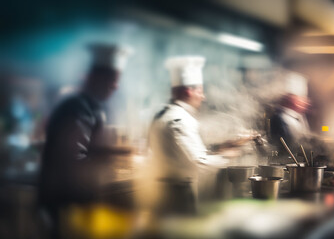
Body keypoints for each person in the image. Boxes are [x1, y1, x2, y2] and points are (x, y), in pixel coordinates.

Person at [38, 43, 133, 238]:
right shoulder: (77, 109)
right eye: (113, 80)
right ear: (96, 78)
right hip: (65, 204)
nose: (116, 86)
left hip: (73, 201)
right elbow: (74, 161)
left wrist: (111, 152)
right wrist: (109, 156)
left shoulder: (91, 107)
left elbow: (89, 150)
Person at [148, 56, 239, 216]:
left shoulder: (163, 114)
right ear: (188, 91)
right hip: (177, 195)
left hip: (160, 190)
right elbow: (199, 163)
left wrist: (219, 148)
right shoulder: (180, 119)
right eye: (200, 91)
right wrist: (227, 156)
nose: (203, 97)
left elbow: (180, 154)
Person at [269, 73, 311, 154]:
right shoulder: (278, 118)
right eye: (301, 97)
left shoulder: (300, 116)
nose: (306, 101)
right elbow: (280, 146)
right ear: (290, 98)